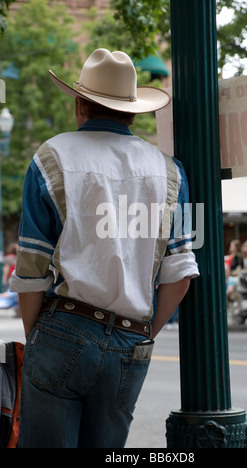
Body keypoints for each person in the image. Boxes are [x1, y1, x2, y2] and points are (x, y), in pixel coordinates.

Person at [10, 49, 199, 448]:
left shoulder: (50, 158)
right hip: (130, 344)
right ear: (132, 111)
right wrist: (142, 335)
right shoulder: (171, 172)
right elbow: (181, 276)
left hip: (64, 327)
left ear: (80, 103)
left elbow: (31, 270)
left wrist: (38, 337)